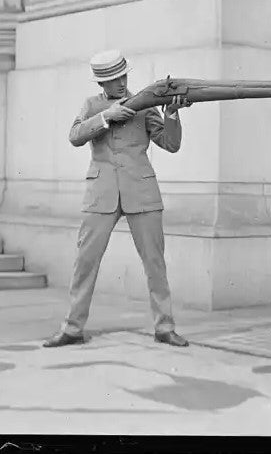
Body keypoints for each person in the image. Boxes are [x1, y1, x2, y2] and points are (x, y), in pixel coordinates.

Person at [44, 50, 191, 348]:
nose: (121, 83)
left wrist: (171, 114)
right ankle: (72, 328)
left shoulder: (145, 103)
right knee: (85, 262)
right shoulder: (91, 105)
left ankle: (165, 327)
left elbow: (170, 144)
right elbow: (74, 136)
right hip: (101, 194)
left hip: (142, 191)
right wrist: (105, 117)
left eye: (123, 76)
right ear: (102, 83)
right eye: (113, 80)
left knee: (155, 263)